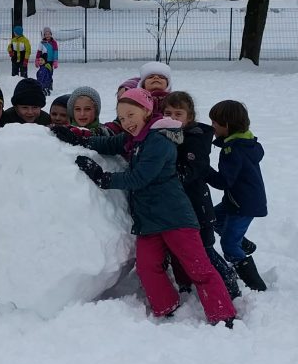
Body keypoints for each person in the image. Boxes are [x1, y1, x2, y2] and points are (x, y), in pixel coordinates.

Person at [54, 88, 237, 327]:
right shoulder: (135, 138)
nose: (127, 122)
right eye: (122, 118)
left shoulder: (158, 140)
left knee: (199, 268)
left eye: (131, 115)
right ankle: (166, 306)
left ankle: (223, 315)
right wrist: (80, 138)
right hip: (149, 221)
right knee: (147, 267)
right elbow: (109, 143)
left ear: (147, 111)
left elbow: (140, 177)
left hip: (175, 218)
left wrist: (103, 178)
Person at [162, 91, 241, 299]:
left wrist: (163, 176)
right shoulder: (168, 135)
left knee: (205, 249)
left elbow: (190, 171)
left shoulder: (195, 139)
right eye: (167, 113)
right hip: (181, 206)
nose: (172, 118)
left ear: (190, 117)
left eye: (178, 114)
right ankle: (188, 282)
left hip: (198, 205)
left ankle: (230, 284)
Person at [206, 100, 268, 292]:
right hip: (238, 200)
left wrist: (202, 169)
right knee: (213, 220)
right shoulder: (246, 143)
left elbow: (223, 181)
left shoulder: (233, 150)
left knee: (229, 245)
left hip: (243, 205)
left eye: (214, 123)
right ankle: (243, 244)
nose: (212, 126)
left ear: (227, 125)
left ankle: (255, 286)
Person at [35, 27, 59, 93]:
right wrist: (37, 60)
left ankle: (49, 86)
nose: (48, 35)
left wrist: (55, 61)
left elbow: (55, 52)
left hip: (50, 61)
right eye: (46, 34)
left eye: (49, 34)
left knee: (49, 73)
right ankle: (43, 86)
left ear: (51, 34)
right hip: (43, 61)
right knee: (43, 73)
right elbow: (39, 52)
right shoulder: (42, 43)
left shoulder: (54, 42)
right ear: (44, 35)